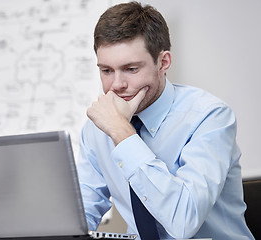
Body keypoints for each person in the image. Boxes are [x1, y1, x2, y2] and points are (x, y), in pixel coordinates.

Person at [76, 1, 254, 240]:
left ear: (163, 62)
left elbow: (183, 222)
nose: (117, 85)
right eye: (106, 71)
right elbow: (82, 212)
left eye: (130, 69)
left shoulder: (210, 117)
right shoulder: (96, 128)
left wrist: (121, 131)